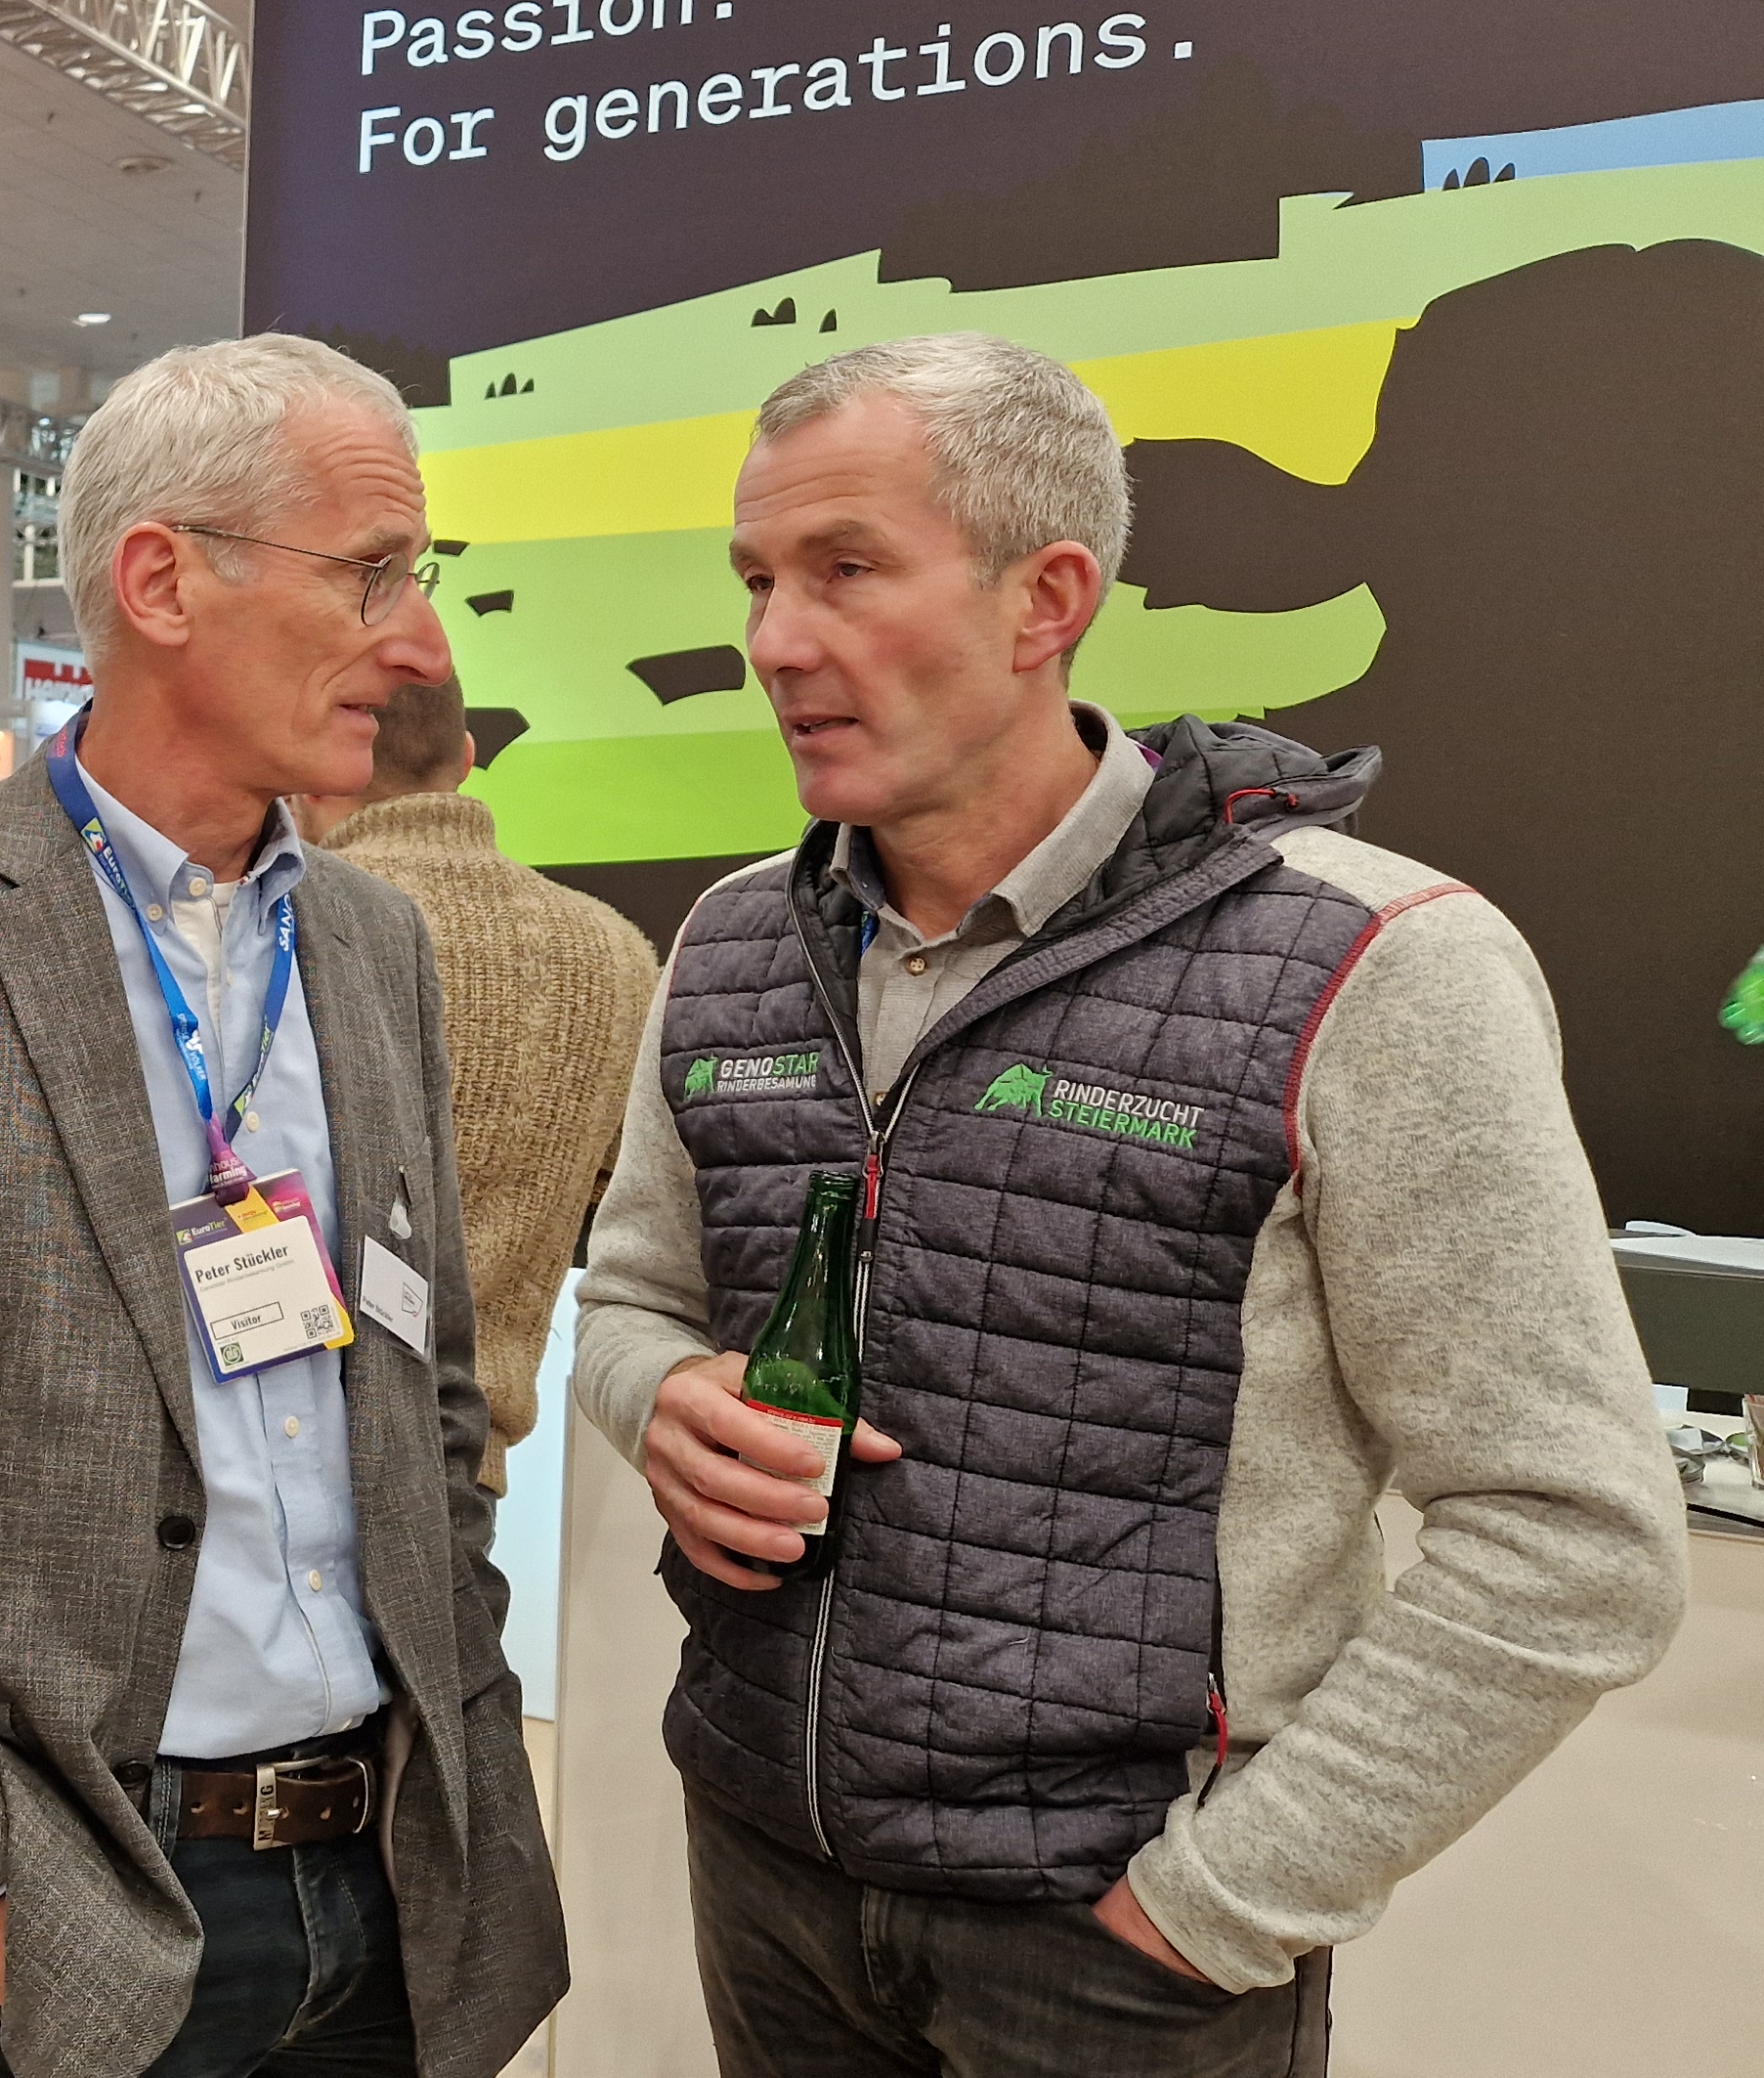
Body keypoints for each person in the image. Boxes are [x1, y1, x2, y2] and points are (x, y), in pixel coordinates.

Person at [570, 333, 1687, 2077]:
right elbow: (632, 1296)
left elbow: (1576, 1536)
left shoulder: (1374, 961)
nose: (777, 640)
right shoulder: (730, 941)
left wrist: (1222, 1902)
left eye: (847, 569)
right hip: (768, 1875)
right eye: (759, 581)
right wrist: (658, 1399)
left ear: (1048, 597)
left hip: (1124, 1946)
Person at [0, 333, 567, 2078]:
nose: (419, 643)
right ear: (161, 580)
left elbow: (430, 1386)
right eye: (372, 572)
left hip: (390, 1883)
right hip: (79, 1900)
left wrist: (455, 1701)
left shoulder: (372, 942)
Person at [308, 676, 656, 1497]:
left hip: (267, 1446)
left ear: (315, 765)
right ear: (466, 758)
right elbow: (617, 1191)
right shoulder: (616, 952)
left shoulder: (289, 925)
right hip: (465, 1458)